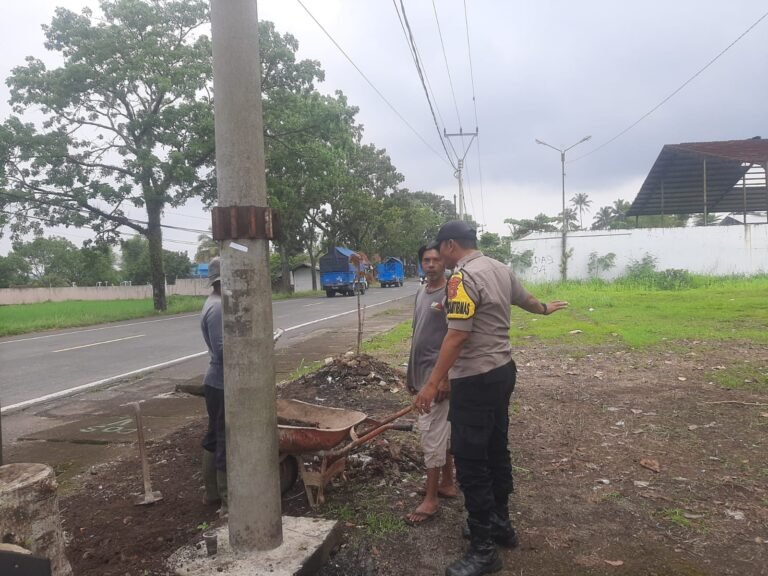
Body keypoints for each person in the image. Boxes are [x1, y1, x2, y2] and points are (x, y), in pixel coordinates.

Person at [414, 221, 568, 576]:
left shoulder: (461, 278)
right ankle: (501, 523)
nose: (439, 257)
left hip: (474, 379)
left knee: (471, 460)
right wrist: (545, 308)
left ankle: (483, 550)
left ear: (450, 245)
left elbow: (457, 336)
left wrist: (432, 383)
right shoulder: (499, 268)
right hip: (502, 371)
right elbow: (526, 300)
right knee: (497, 448)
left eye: (441, 249)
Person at [405, 243, 457, 525]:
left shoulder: (451, 293)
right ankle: (447, 483)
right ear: (421, 264)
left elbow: (457, 337)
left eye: (436, 259)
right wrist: (410, 376)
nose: (431, 264)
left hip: (436, 378)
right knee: (441, 433)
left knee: (431, 435)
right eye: (426, 260)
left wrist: (445, 378)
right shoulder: (421, 291)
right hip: (420, 374)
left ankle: (431, 499)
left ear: (444, 263)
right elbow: (417, 333)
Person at [200, 257, 227, 516]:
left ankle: (211, 493)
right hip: (220, 383)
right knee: (223, 439)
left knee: (213, 437)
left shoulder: (215, 302)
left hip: (215, 382)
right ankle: (227, 500)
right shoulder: (218, 307)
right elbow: (222, 351)